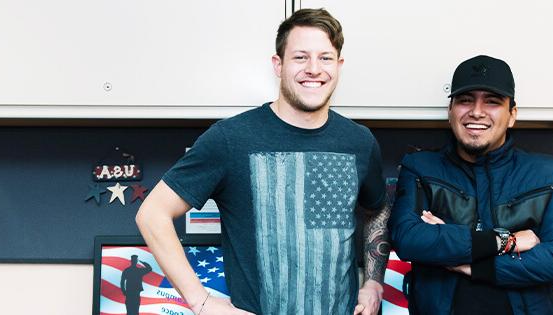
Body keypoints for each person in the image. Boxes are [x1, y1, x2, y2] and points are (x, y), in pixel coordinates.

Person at [135, 8, 392, 315]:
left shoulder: (359, 141)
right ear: (278, 64)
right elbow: (152, 214)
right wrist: (200, 302)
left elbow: (377, 208)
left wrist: (374, 282)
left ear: (338, 65)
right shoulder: (231, 138)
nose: (314, 68)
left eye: (325, 58)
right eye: (300, 57)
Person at [388, 55, 553, 314]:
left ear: (512, 114)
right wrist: (506, 242)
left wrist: (468, 264)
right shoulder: (421, 168)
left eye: (492, 102)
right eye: (465, 100)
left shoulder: (548, 173)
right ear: (450, 111)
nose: (476, 111)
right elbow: (408, 239)